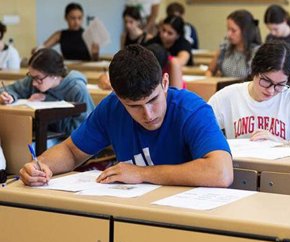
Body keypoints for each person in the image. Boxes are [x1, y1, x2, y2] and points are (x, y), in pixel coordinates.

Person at [18, 44, 233, 187]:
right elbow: (72, 151)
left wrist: (142, 174)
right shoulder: (112, 108)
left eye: (153, 100)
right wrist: (42, 166)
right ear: (119, 98)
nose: (148, 114)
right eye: (134, 106)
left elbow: (221, 172)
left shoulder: (192, 110)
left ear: (165, 83)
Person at [209, 41, 290, 149]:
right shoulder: (228, 96)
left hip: (281, 172)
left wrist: (284, 143)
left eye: (280, 84)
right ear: (254, 71)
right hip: (240, 170)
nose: (271, 90)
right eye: (266, 81)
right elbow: (197, 131)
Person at [0, 48, 95, 137]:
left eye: (38, 78)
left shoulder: (77, 89)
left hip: (69, 142)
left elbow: (84, 131)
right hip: (42, 135)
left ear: (54, 74)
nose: (33, 83)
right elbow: (8, 89)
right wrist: (8, 96)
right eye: (31, 76)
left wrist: (49, 109)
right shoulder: (33, 81)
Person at [97, 43, 184, 90]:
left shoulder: (173, 63)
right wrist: (106, 81)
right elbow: (104, 77)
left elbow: (176, 93)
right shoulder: (139, 60)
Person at [207, 10, 262, 79]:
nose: (229, 34)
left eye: (233, 30)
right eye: (228, 29)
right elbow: (210, 71)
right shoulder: (225, 47)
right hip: (224, 88)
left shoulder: (256, 52)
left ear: (245, 31)